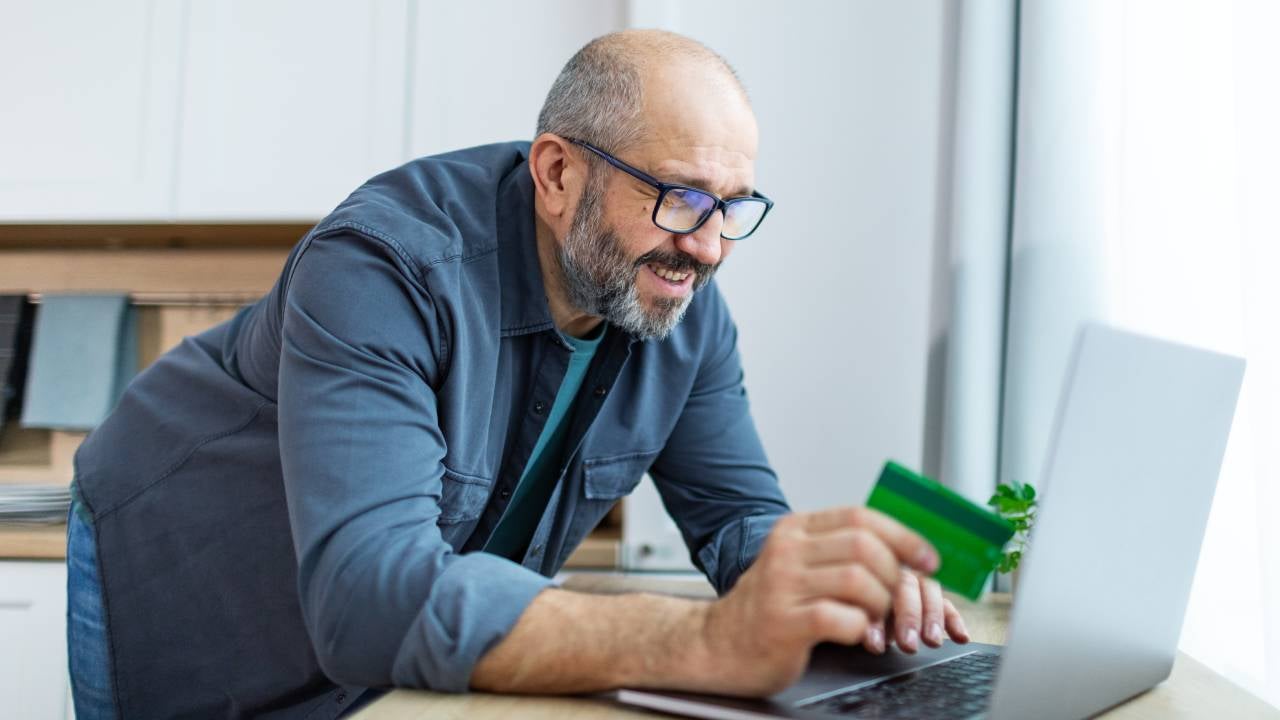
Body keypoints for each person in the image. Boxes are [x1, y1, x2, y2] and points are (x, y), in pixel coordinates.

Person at [65, 29, 970, 719]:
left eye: (732, 208)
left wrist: (828, 592)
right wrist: (703, 638)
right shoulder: (383, 269)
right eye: (680, 198)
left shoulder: (679, 308)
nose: (707, 246)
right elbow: (371, 597)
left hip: (369, 644)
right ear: (557, 173)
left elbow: (736, 518)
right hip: (184, 557)